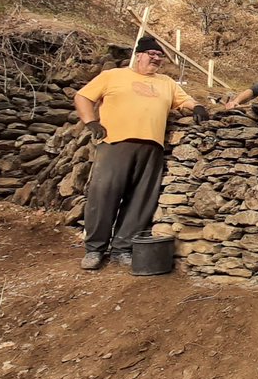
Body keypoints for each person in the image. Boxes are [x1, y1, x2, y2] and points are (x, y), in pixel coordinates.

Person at [74, 35, 209, 270]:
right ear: (139, 55)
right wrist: (90, 122)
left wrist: (196, 106)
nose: (156, 59)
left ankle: (122, 248)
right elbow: (83, 96)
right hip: (116, 143)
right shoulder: (113, 76)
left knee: (140, 200)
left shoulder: (166, 82)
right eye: (152, 54)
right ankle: (95, 249)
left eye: (159, 56)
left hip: (151, 147)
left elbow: (184, 100)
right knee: (103, 194)